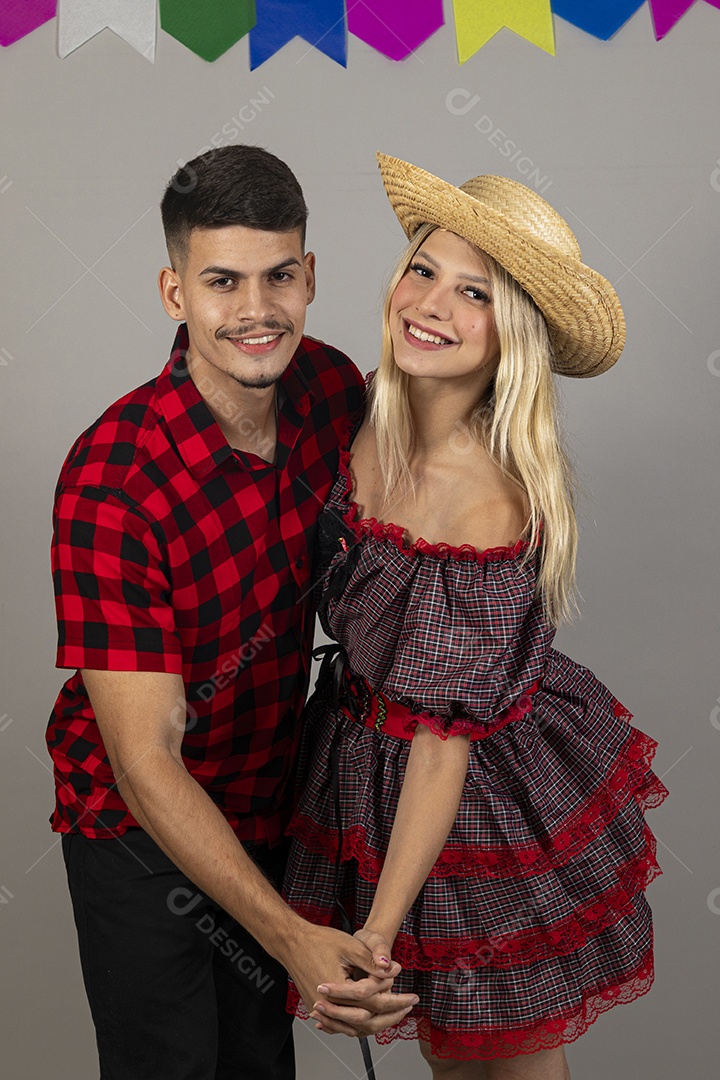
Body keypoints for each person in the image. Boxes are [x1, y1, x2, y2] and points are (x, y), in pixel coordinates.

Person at [283, 154, 669, 1079]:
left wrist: (378, 931)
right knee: (455, 1067)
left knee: (505, 1061)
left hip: (463, 799)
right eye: (424, 268)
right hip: (361, 763)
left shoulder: (484, 500)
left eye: (476, 293)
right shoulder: (359, 418)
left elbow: (441, 746)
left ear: (514, 338)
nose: (433, 304)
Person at [46, 144, 417, 1080]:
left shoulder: (334, 391)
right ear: (175, 292)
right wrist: (290, 934)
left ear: (310, 276)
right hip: (139, 828)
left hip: (270, 802)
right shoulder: (112, 481)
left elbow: (434, 488)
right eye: (222, 282)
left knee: (258, 1067)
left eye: (278, 276)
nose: (256, 311)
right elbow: (144, 760)